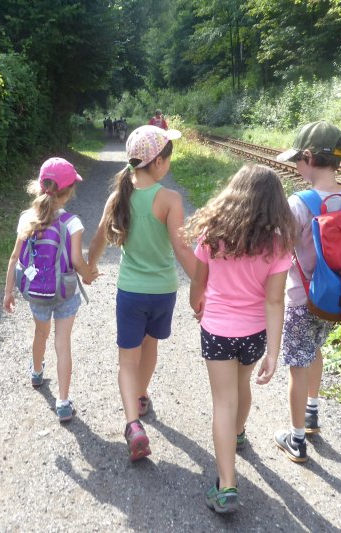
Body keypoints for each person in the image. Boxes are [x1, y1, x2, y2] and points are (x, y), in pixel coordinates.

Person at [186, 164, 298, 513]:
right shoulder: (279, 245)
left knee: (223, 400)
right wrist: (274, 354)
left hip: (218, 329)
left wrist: (196, 305)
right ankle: (237, 433)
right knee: (242, 384)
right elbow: (275, 300)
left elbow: (198, 282)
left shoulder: (211, 232)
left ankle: (227, 487)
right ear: (274, 203)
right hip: (255, 333)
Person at [88, 125, 196, 461]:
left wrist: (90, 267)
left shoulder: (118, 195)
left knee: (127, 359)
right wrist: (204, 287)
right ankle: (142, 394)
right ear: (159, 163)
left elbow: (98, 239)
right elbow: (181, 250)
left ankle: (133, 423)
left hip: (131, 291)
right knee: (151, 346)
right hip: (163, 292)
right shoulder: (169, 199)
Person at [273, 120, 341, 462]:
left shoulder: (299, 202)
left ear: (308, 157)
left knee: (296, 363)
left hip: (301, 298)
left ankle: (295, 439)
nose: (296, 166)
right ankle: (312, 412)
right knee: (315, 350)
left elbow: (280, 250)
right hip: (336, 299)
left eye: (298, 160)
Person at [3, 157, 96, 422]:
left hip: (36, 292)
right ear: (68, 193)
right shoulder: (72, 223)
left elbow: (14, 258)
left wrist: (8, 292)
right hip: (65, 292)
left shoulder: (27, 219)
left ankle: (36, 372)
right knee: (62, 342)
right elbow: (78, 261)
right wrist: (89, 276)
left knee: (40, 334)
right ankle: (63, 402)